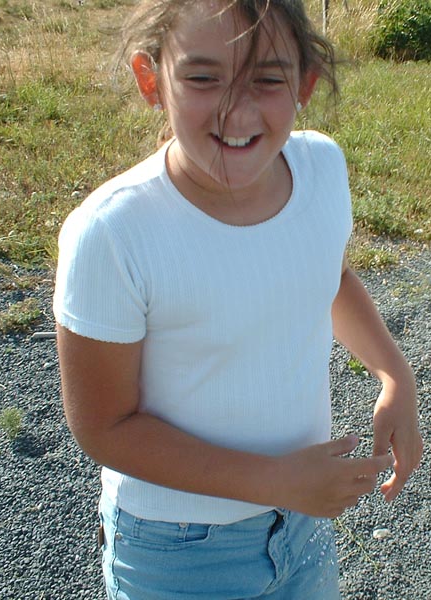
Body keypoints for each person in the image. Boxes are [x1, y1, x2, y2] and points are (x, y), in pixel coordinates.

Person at [53, 0, 423, 598]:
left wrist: (395, 374)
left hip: (302, 524)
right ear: (151, 80)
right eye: (203, 77)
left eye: (268, 79)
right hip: (179, 554)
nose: (238, 109)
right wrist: (276, 480)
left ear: (305, 83)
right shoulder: (112, 233)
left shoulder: (321, 168)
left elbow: (328, 277)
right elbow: (103, 426)